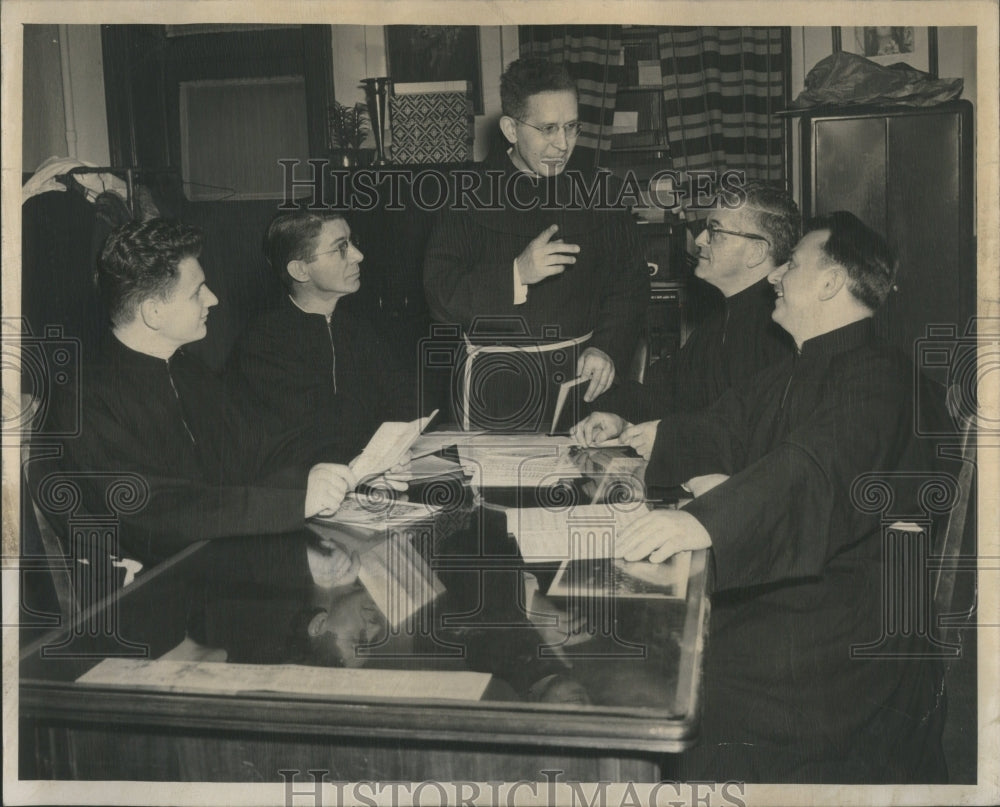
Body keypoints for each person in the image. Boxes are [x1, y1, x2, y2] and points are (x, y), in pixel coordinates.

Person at [614, 212, 948, 782]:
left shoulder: (884, 377)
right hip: (808, 596)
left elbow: (812, 469)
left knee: (673, 679)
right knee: (650, 647)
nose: (775, 277)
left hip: (850, 637)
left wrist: (705, 523)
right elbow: (723, 427)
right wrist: (650, 437)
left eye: (791, 264)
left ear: (828, 283)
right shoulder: (803, 363)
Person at [46, 218, 359, 567]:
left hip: (223, 564)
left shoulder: (188, 369)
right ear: (154, 312)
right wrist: (295, 502)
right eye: (197, 291)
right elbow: (157, 515)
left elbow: (259, 448)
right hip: (155, 593)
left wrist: (352, 466)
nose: (212, 299)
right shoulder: (83, 400)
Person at [423, 57, 649, 406]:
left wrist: (606, 347)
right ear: (511, 130)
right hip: (497, 388)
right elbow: (440, 294)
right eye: (548, 129)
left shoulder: (602, 192)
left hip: (584, 386)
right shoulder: (464, 195)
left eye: (572, 126)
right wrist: (517, 275)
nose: (563, 144)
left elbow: (629, 284)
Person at [573, 181, 798, 457]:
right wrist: (620, 421)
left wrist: (666, 435)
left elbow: (746, 436)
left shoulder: (778, 332)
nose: (701, 238)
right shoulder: (720, 319)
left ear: (756, 252)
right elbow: (669, 395)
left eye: (715, 230)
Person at [227, 210, 414, 464]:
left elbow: (404, 401)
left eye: (352, 242)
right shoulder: (262, 344)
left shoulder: (361, 330)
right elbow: (302, 439)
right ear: (301, 270)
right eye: (341, 248)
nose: (359, 255)